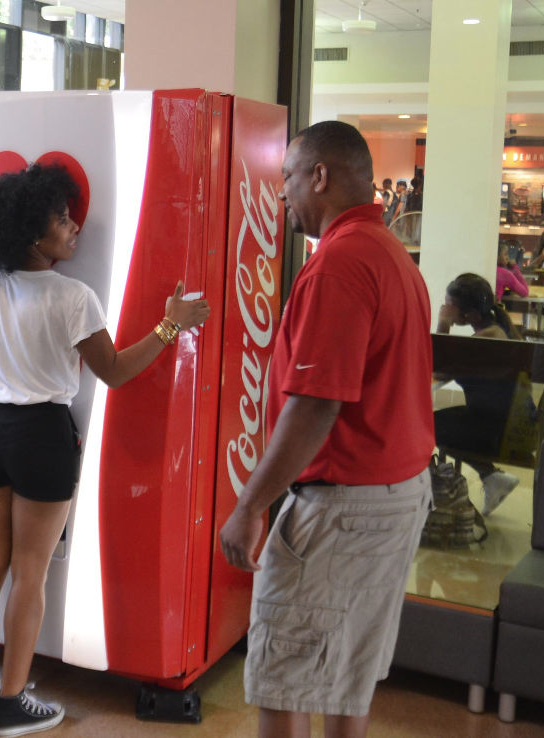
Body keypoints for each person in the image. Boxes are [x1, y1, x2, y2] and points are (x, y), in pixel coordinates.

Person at [0, 163, 210, 737]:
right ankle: (10, 703)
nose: (75, 225)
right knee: (30, 573)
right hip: (42, 438)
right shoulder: (73, 297)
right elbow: (117, 372)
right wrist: (171, 327)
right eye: (61, 219)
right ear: (33, 234)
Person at [219, 121, 434, 738]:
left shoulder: (339, 265)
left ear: (320, 176)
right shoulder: (391, 254)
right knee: (343, 683)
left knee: (285, 676)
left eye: (286, 176)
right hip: (393, 498)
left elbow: (315, 405)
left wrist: (250, 505)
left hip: (344, 507)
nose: (280, 191)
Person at [435, 273, 536, 515]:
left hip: (502, 433)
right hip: (514, 423)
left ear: (469, 315)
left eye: (449, 306)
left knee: (425, 424)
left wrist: (444, 324)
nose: (444, 308)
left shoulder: (486, 339)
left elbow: (437, 368)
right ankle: (491, 477)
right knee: (435, 421)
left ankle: (486, 478)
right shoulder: (498, 328)